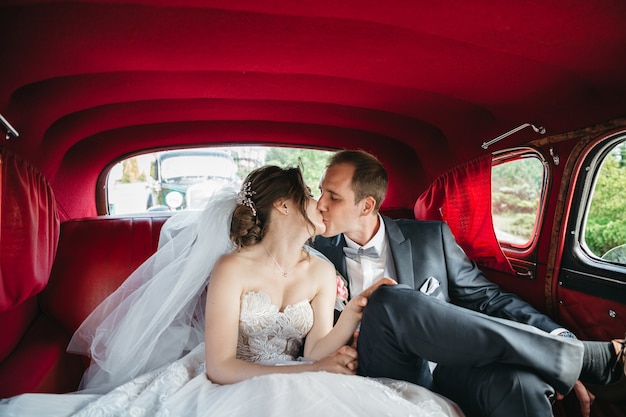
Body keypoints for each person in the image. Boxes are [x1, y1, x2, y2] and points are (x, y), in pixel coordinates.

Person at [0, 165, 465, 417]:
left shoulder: (323, 271)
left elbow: (317, 344)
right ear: (284, 206)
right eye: (311, 195)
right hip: (233, 379)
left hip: (304, 370)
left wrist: (354, 312)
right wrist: (314, 370)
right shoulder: (232, 269)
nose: (322, 204)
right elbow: (221, 367)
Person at [312, 149, 626, 417]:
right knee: (386, 300)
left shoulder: (430, 238)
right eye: (321, 190)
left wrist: (557, 333)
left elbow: (489, 298)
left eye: (333, 196)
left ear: (366, 205)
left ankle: (564, 353)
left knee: (522, 384)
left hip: (448, 366)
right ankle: (578, 356)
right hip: (371, 369)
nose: (320, 203)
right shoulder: (312, 254)